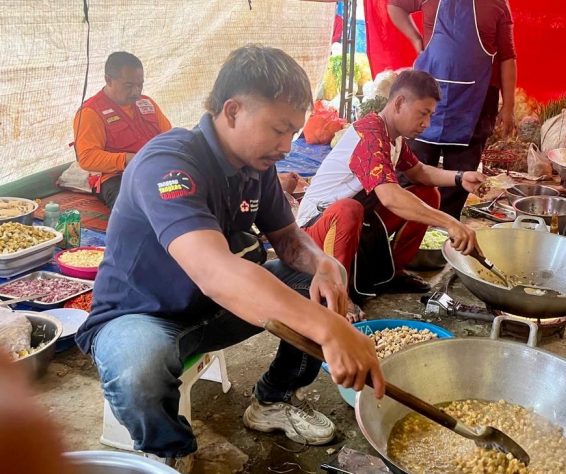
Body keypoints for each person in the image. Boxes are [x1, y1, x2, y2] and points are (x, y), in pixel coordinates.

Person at [74, 45, 384, 470]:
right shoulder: (168, 163)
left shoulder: (258, 167)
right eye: (279, 130)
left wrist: (325, 264)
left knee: (313, 288)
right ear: (233, 110)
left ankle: (273, 400)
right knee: (138, 369)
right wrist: (328, 329)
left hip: (213, 309)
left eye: (293, 132)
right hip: (141, 315)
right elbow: (216, 272)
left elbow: (289, 239)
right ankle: (170, 449)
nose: (287, 145)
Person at [296, 69, 484, 301]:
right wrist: (450, 222)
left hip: (357, 224)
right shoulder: (369, 135)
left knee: (428, 194)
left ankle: (391, 274)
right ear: (399, 103)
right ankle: (339, 293)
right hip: (315, 231)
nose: (426, 123)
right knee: (349, 209)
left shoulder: (393, 137)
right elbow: (390, 197)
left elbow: (419, 172)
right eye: (422, 113)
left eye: (430, 116)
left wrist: (460, 177)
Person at [387, 0, 517, 219]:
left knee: (459, 180)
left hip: (475, 104)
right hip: (426, 98)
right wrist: (415, 38)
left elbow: (507, 57)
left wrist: (509, 106)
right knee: (411, 172)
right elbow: (395, 6)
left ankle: (446, 227)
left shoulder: (497, 4)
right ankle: (407, 226)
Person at [72, 51, 173, 208]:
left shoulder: (147, 103)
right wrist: (127, 159)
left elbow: (170, 138)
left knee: (191, 191)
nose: (136, 92)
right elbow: (87, 158)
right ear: (108, 80)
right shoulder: (91, 112)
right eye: (129, 86)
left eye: (140, 85)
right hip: (116, 177)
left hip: (154, 168)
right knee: (135, 206)